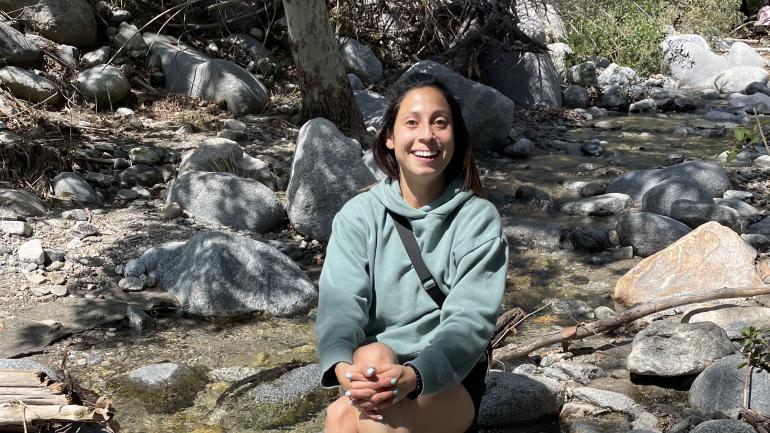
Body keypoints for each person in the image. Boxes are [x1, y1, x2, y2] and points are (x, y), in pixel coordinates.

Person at [315, 72, 509, 433]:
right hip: (373, 373)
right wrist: (343, 369)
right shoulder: (359, 215)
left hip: (444, 377)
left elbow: (468, 323)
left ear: (455, 138)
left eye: (440, 123)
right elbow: (340, 308)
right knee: (371, 369)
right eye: (412, 122)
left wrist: (413, 376)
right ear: (390, 137)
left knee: (350, 416)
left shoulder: (477, 219)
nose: (426, 135)